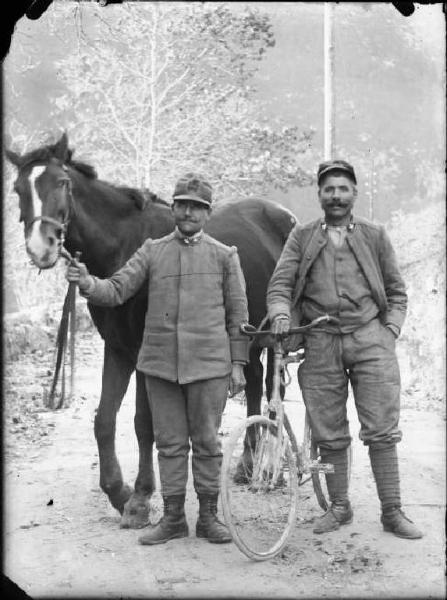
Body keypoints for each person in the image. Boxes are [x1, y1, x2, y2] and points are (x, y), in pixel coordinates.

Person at [66, 173, 249, 545]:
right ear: (174, 207)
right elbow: (116, 289)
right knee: (169, 444)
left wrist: (238, 364)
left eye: (196, 207)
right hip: (161, 366)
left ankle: (209, 517)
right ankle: (173, 518)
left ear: (207, 213)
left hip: (208, 366)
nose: (188, 212)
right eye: (182, 204)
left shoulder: (224, 256)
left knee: (207, 443)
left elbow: (238, 314)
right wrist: (87, 282)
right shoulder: (152, 250)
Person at [266, 159, 422, 539]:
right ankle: (339, 507)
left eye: (342, 189)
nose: (335, 196)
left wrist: (389, 331)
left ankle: (392, 511)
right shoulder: (302, 237)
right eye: (328, 189)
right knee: (329, 431)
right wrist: (282, 315)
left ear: (354, 193)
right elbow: (280, 286)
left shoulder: (375, 235)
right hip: (320, 341)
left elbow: (397, 291)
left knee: (382, 430)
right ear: (319, 195)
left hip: (371, 339)